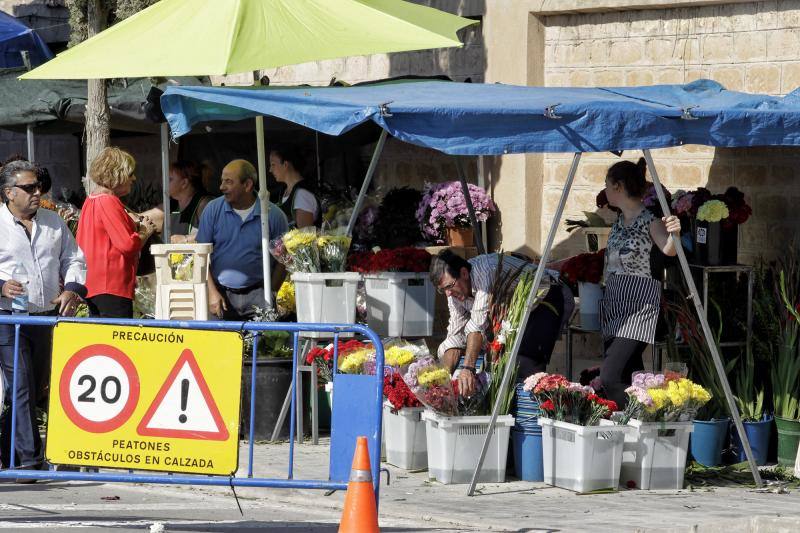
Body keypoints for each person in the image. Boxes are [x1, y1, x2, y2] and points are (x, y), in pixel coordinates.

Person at [0, 160, 87, 478]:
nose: (37, 192)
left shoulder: (53, 222)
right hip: (9, 319)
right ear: (9, 193)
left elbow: (74, 258)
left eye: (39, 187)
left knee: (32, 388)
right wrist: (1, 286)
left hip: (45, 317)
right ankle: (29, 461)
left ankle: (8, 453)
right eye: (28, 188)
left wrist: (73, 289)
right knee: (21, 386)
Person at [431, 250, 574, 397]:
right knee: (498, 364)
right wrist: (442, 380)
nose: (448, 294)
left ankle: (532, 413)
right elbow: (455, 337)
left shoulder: (486, 270)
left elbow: (477, 326)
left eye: (449, 286)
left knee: (523, 362)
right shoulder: (453, 293)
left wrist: (468, 369)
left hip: (547, 295)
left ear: (464, 273)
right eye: (443, 290)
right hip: (514, 313)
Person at [598, 158, 680, 407]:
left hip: (639, 307)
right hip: (615, 305)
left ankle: (654, 409)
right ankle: (638, 429)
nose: (605, 190)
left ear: (618, 187)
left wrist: (675, 233)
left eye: (607, 185)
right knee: (631, 376)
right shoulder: (619, 222)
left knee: (610, 378)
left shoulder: (650, 221)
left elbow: (669, 250)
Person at [196, 159, 289, 321]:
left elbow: (283, 258)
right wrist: (211, 292)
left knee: (260, 345)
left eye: (228, 182)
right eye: (222, 181)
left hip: (259, 294)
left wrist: (272, 292)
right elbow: (200, 255)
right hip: (219, 295)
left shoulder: (272, 215)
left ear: (247, 185)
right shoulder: (212, 210)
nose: (221, 187)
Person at [76, 147, 158, 318]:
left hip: (94, 283)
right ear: (118, 174)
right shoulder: (109, 201)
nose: (133, 178)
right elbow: (128, 245)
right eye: (130, 174)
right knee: (115, 340)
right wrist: (145, 231)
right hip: (111, 285)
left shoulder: (91, 200)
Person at [270, 145, 320, 228]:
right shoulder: (284, 190)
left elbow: (305, 236)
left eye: (273, 164)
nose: (270, 170)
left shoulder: (302, 194)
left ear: (285, 164)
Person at [168, 160, 213, 243]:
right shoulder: (170, 206)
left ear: (184, 183)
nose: (164, 182)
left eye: (170, 179)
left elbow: (215, 231)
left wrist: (186, 239)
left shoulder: (205, 204)